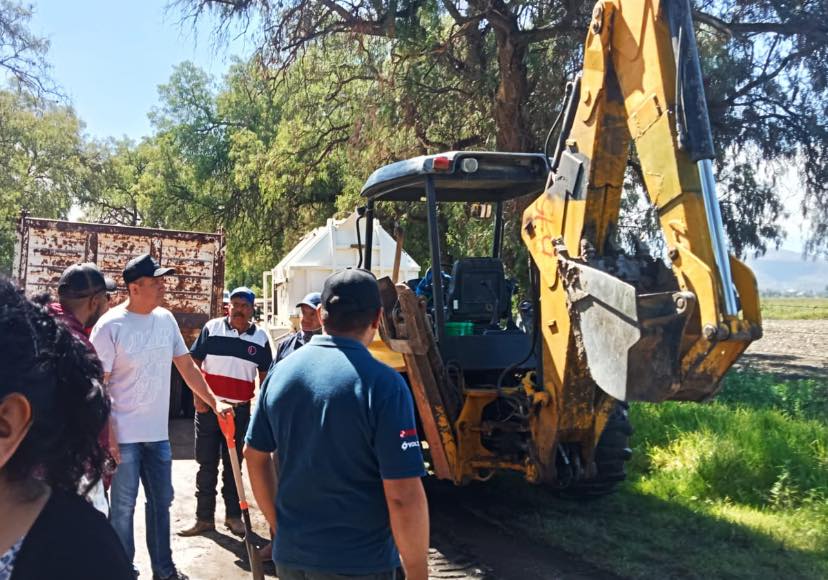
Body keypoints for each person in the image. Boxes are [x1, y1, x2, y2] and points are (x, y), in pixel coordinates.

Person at [245, 269, 430, 580]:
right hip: (359, 563)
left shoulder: (281, 373)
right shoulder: (384, 385)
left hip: (292, 559)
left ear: (321, 314)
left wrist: (279, 525)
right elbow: (403, 495)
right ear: (377, 318)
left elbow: (254, 456)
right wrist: (418, 573)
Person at [90, 253, 230, 580]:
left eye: (162, 281)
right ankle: (124, 572)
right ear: (134, 288)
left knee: (161, 504)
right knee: (123, 510)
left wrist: (214, 401)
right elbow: (99, 386)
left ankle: (164, 572)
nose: (162, 287)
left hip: (157, 437)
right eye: (156, 282)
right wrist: (109, 436)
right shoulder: (110, 326)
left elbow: (186, 366)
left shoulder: (165, 320)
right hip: (123, 439)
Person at [0, 278, 133, 579]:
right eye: (105, 298)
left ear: (5, 426)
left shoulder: (79, 556)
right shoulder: (65, 343)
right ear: (93, 302)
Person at [178, 286, 273, 538]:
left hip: (239, 412)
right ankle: (203, 518)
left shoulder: (260, 338)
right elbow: (193, 364)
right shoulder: (212, 328)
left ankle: (233, 518)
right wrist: (198, 399)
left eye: (244, 305)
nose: (238, 309)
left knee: (234, 467)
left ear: (252, 309)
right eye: (234, 304)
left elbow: (265, 379)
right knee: (206, 464)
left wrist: (262, 412)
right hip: (209, 409)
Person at [46, 262, 118, 514]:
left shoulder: (38, 327)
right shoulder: (78, 349)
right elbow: (89, 422)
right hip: (72, 480)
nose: (108, 304)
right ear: (94, 301)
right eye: (106, 297)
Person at [269, 292, 323, 369]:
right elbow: (272, 376)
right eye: (303, 312)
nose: (306, 320)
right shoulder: (286, 345)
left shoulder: (330, 347)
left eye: (312, 314)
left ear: (322, 316)